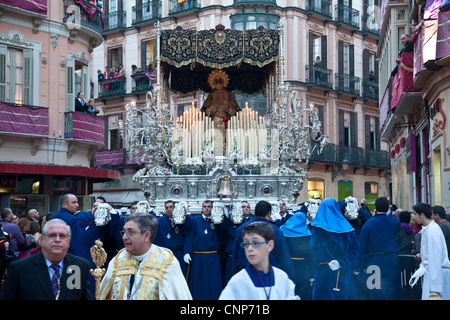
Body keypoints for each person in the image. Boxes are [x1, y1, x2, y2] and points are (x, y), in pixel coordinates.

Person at [98, 212, 192, 300]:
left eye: (131, 232)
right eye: (124, 232)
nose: (124, 237)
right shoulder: (118, 259)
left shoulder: (166, 262)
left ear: (146, 236)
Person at [0, 218, 93, 300]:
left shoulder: (78, 267)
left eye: (62, 236)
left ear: (69, 241)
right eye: (52, 235)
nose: (57, 240)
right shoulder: (20, 269)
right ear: (41, 239)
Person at [219, 221, 298, 300]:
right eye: (246, 244)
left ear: (269, 245)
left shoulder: (282, 278)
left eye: (255, 243)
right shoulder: (237, 282)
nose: (249, 248)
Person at [232, 200, 296, 283]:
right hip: (268, 276)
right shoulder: (275, 230)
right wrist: (291, 279)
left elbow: (235, 254)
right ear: (269, 213)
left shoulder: (241, 229)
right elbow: (284, 257)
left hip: (246, 276)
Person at [309, 198, 360, 300]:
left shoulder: (317, 229)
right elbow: (355, 250)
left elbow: (312, 248)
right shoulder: (347, 228)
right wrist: (341, 262)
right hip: (343, 271)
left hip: (323, 271)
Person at [355, 197, 403, 300]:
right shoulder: (395, 222)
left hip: (374, 262)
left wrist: (359, 266)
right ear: (387, 207)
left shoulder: (369, 223)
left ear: (376, 207)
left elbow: (362, 247)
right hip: (391, 260)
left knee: (375, 291)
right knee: (392, 290)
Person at [183, 200, 231, 300]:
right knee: (198, 282)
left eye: (209, 206)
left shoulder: (217, 220)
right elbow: (189, 236)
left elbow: (226, 227)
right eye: (205, 206)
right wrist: (186, 251)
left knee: (212, 282)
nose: (207, 208)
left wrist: (223, 211)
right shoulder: (195, 220)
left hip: (212, 257)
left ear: (212, 208)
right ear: (202, 208)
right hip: (198, 257)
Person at [410, 203, 450, 300]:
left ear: (422, 215)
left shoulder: (432, 231)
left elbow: (435, 258)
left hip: (437, 275)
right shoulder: (428, 230)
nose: (413, 217)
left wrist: (435, 289)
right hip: (432, 274)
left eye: (415, 214)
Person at [280, 212, 314, 300]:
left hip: (287, 264)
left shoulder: (284, 231)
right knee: (301, 290)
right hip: (302, 266)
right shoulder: (307, 234)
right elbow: (310, 254)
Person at [153, 200, 190, 277]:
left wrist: (186, 211)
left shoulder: (182, 219)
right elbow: (156, 238)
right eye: (167, 208)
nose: (169, 209)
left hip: (178, 253)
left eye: (171, 207)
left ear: (174, 208)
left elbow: (189, 231)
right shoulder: (160, 221)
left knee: (180, 277)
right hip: (165, 254)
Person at [50, 194, 90, 261]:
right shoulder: (72, 219)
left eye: (77, 202)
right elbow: (76, 244)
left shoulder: (53, 217)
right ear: (65, 205)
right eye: (73, 202)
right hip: (70, 259)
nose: (77, 205)